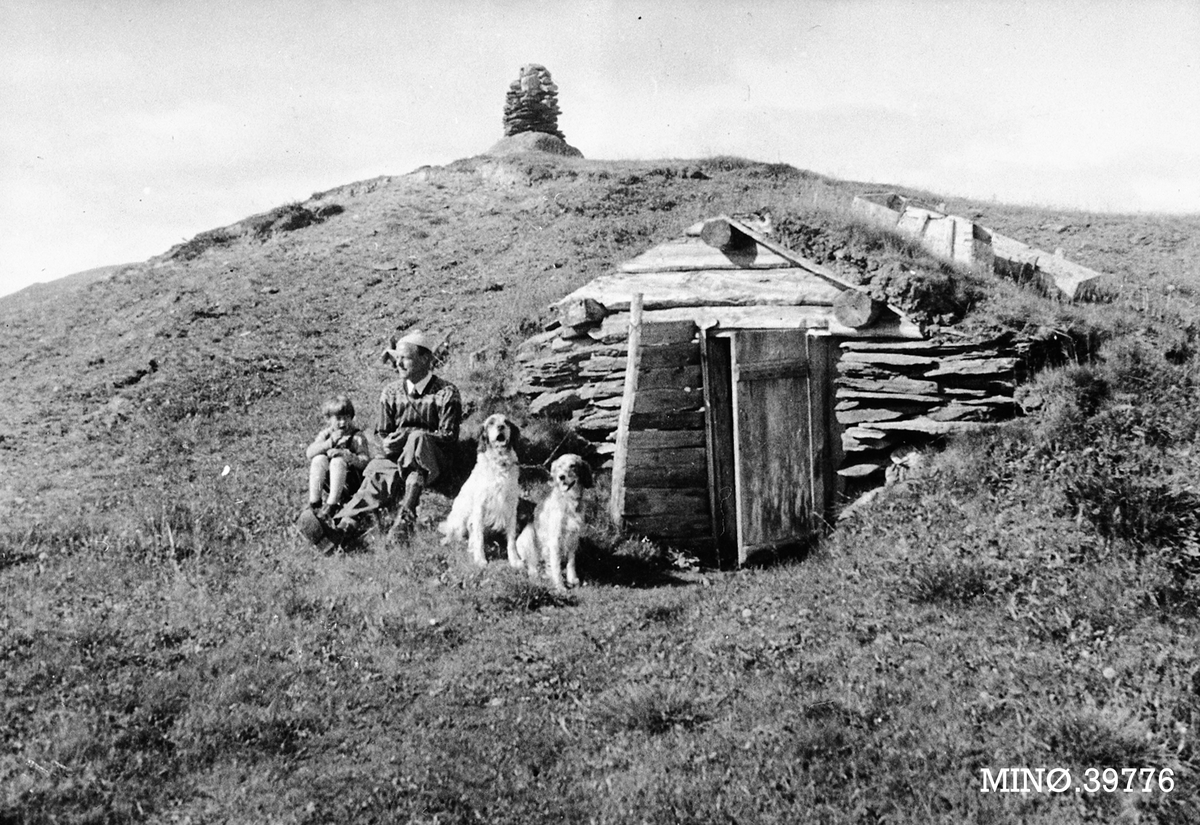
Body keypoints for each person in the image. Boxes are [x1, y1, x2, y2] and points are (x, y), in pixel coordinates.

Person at [334, 330, 462, 541]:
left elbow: (449, 437)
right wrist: (386, 442)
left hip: (434, 462)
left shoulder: (446, 392)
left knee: (418, 439)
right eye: (397, 358)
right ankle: (346, 525)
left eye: (406, 359)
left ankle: (406, 515)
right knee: (377, 473)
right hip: (397, 459)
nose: (398, 364)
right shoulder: (390, 391)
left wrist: (411, 434)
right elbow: (380, 433)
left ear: (425, 359)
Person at [305, 394, 372, 522]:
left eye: (346, 418)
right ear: (328, 419)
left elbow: (365, 462)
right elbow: (310, 453)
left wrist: (349, 456)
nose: (343, 422)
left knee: (337, 461)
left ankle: (332, 505)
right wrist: (328, 443)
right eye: (339, 418)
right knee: (318, 459)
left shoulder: (356, 436)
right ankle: (315, 502)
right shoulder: (327, 434)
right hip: (331, 480)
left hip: (352, 481)